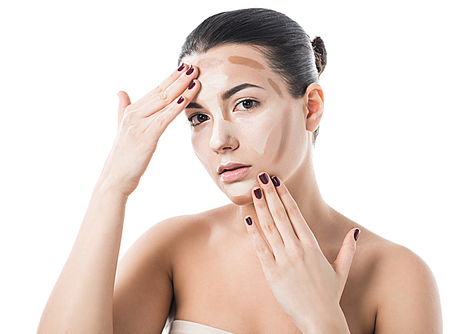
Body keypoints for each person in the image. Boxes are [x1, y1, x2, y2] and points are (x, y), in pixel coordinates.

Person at [38, 8, 442, 334]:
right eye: (198, 117)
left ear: (311, 106)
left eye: (245, 104)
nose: (218, 140)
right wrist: (113, 185)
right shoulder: (175, 246)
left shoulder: (396, 276)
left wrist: (322, 320)